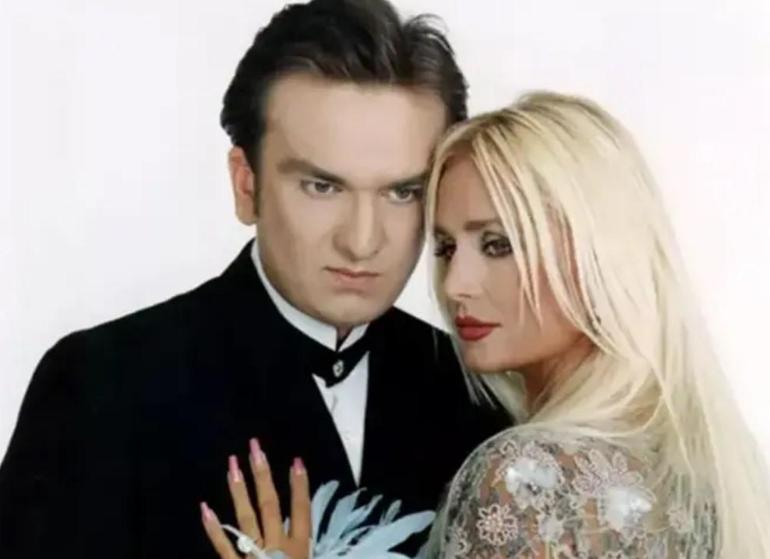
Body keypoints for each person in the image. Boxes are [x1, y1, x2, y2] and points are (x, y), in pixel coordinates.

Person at [0, 1, 504, 557]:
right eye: (322, 187)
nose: (363, 241)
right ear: (246, 185)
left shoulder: (479, 395)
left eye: (402, 192)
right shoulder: (101, 387)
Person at [199, 91, 770, 559]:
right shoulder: (704, 467)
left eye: (498, 245)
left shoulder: (521, 475)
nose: (455, 285)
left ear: (597, 254)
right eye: (446, 247)